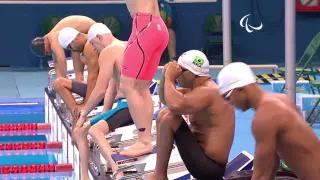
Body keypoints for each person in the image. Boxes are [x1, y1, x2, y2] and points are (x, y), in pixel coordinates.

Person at [217, 62, 320, 180]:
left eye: (227, 97)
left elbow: (262, 175)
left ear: (240, 89)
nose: (230, 103)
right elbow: (272, 164)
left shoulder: (264, 117)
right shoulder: (282, 99)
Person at [148, 50, 235, 180]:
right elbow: (166, 100)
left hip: (210, 169)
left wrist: (170, 78)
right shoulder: (198, 89)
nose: (177, 75)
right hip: (201, 158)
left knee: (170, 117)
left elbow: (175, 106)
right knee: (164, 113)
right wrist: (165, 77)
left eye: (180, 71)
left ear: (192, 74)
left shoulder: (209, 91)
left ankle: (160, 175)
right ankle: (159, 174)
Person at [72, 23, 132, 180]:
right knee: (84, 129)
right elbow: (113, 83)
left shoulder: (108, 51)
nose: (93, 48)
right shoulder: (125, 45)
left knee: (87, 130)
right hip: (137, 105)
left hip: (128, 106)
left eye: (92, 44)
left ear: (99, 37)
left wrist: (84, 114)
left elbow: (100, 90)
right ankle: (85, 176)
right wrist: (105, 112)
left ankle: (116, 170)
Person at [119, 0, 169, 158]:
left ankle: (144, 141)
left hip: (144, 26)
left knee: (127, 86)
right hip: (157, 25)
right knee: (141, 87)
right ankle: (145, 137)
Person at [54, 26, 99, 142]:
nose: (72, 50)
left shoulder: (90, 45)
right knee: (59, 83)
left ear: (75, 39)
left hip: (103, 90)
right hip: (96, 87)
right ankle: (75, 111)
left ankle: (78, 113)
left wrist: (87, 104)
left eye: (70, 47)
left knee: (75, 139)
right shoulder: (85, 48)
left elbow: (93, 77)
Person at [30, 15, 96, 80]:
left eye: (47, 52)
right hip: (86, 30)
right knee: (74, 48)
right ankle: (78, 79)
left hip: (92, 29)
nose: (49, 54)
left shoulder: (53, 39)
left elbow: (61, 60)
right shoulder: (51, 38)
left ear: (45, 44)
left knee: (75, 52)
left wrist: (64, 78)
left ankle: (79, 79)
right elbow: (56, 63)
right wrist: (60, 79)